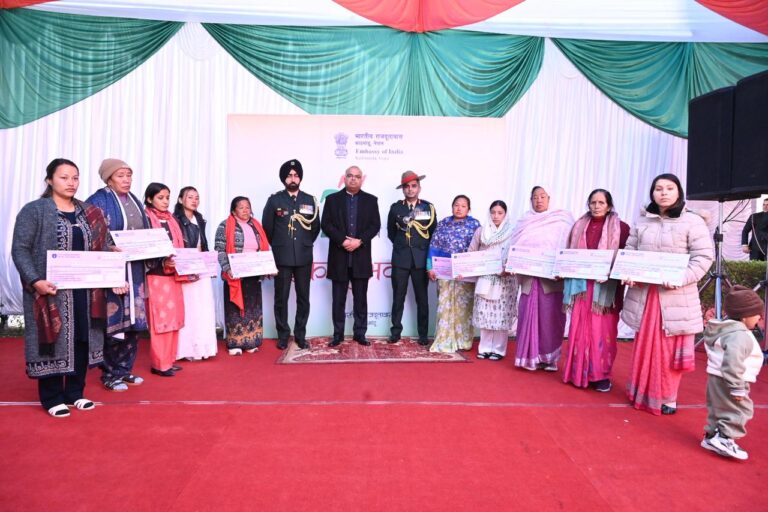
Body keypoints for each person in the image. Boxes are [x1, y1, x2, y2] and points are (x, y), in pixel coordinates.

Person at [11, 158, 109, 417]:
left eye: (75, 177)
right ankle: (52, 397)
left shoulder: (89, 212)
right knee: (53, 338)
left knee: (82, 336)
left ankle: (75, 392)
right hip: (49, 291)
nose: (71, 183)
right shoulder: (34, 210)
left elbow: (103, 247)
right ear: (49, 180)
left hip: (85, 291)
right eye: (64, 177)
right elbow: (20, 249)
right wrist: (35, 280)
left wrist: (114, 255)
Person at [621, 173, 714, 415]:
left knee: (668, 350)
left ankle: (668, 397)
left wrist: (680, 279)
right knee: (645, 346)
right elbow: (630, 252)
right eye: (658, 188)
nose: (663, 193)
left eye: (669, 188)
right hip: (646, 295)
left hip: (675, 296)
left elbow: (703, 257)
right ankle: (641, 392)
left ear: (678, 192)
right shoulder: (642, 221)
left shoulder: (692, 221)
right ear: (652, 193)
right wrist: (629, 273)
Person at [87, 158, 149, 392]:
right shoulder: (98, 201)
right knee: (114, 322)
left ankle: (124, 369)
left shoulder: (134, 200)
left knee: (133, 322)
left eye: (129, 175)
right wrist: (111, 266)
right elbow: (92, 237)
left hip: (135, 270)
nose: (126, 180)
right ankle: (109, 373)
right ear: (109, 178)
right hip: (113, 269)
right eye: (121, 175)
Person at [561, 189, 630, 392]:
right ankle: (578, 372)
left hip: (605, 290)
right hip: (581, 287)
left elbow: (627, 257)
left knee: (602, 332)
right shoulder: (579, 226)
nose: (597, 206)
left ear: (609, 206)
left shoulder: (621, 228)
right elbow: (569, 254)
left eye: (601, 202)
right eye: (593, 202)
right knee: (579, 330)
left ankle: (600, 375)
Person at [512, 186, 574, 371]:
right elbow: (515, 247)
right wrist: (513, 264)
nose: (538, 200)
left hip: (551, 280)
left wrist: (563, 268)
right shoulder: (525, 221)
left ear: (549, 198)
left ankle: (550, 359)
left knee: (550, 319)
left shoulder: (562, 220)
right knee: (527, 316)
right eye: (535, 197)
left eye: (542, 196)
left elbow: (569, 247)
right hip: (530, 279)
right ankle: (529, 357)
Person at [261, 159, 320, 350]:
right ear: (283, 179)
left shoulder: (310, 200)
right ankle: (283, 335)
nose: (292, 179)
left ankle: (300, 335)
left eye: (296, 175)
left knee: (303, 298)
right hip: (282, 256)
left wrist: (304, 242)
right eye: (289, 176)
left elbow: (315, 228)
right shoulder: (274, 200)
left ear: (300, 178)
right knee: (281, 298)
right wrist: (280, 245)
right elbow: (267, 228)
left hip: (303, 255)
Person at [700, 286, 764, 461]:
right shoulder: (739, 335)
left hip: (716, 376)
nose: (760, 318)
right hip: (733, 379)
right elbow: (733, 361)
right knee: (741, 410)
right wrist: (737, 387)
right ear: (744, 316)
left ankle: (711, 436)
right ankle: (725, 437)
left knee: (717, 408)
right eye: (757, 314)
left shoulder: (724, 329)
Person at [321, 165, 381, 347]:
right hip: (339, 257)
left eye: (357, 176)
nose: (353, 179)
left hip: (361, 257)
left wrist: (359, 241)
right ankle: (337, 335)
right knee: (338, 300)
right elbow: (326, 224)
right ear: (344, 178)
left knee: (361, 300)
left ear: (361, 179)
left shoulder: (371, 200)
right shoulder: (332, 200)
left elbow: (375, 225)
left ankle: (360, 334)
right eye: (350, 175)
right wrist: (342, 240)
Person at [215, 196, 270, 355]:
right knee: (235, 308)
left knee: (253, 307)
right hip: (235, 274)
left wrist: (266, 267)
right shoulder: (225, 226)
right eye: (241, 207)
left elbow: (262, 249)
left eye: (247, 207)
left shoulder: (256, 225)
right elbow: (219, 250)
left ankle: (251, 341)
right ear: (233, 211)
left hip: (253, 273)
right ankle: (235, 344)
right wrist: (227, 268)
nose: (245, 210)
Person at [387, 171, 436, 345]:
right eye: (407, 186)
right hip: (400, 258)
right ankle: (395, 332)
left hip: (420, 260)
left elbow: (432, 233)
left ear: (419, 188)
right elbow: (391, 233)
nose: (410, 189)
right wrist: (403, 246)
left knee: (422, 299)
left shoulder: (428, 208)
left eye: (414, 186)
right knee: (398, 297)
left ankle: (423, 335)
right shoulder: (396, 208)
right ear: (403, 189)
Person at [144, 183, 188, 377]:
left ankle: (169, 359)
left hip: (174, 274)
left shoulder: (171, 218)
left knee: (174, 319)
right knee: (160, 321)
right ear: (149, 199)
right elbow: (144, 249)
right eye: (160, 198)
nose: (165, 201)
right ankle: (159, 364)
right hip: (156, 274)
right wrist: (162, 261)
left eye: (167, 197)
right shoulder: (145, 219)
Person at [428, 195, 481, 353]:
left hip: (465, 273)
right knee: (444, 305)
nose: (459, 208)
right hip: (444, 271)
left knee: (464, 307)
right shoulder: (444, 223)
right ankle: (444, 339)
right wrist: (430, 267)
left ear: (469, 209)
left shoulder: (475, 225)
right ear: (452, 207)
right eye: (456, 205)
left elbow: (479, 249)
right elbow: (433, 246)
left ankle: (463, 340)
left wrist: (473, 268)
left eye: (463, 206)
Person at [467, 200, 518, 360]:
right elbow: (471, 252)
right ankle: (484, 348)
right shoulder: (481, 231)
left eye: (500, 213)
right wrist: (467, 268)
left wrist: (508, 267)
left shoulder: (513, 232)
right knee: (485, 313)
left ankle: (499, 350)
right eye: (493, 212)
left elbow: (516, 253)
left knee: (501, 314)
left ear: (505, 215)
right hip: (485, 278)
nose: (496, 216)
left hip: (505, 279)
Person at [173, 186, 218, 361]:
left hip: (202, 266)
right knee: (189, 307)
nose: (194, 200)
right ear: (180, 199)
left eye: (197, 197)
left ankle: (204, 347)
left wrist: (209, 263)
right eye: (190, 197)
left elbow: (203, 244)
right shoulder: (175, 220)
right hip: (186, 267)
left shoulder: (200, 219)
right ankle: (186, 349)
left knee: (203, 306)